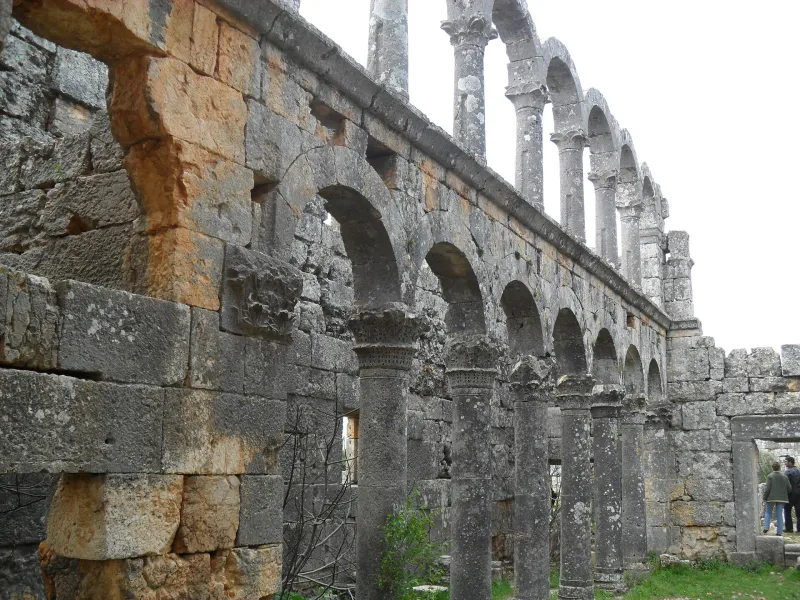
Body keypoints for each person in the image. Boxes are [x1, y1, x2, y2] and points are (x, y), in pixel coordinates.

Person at [763, 461, 792, 536]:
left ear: (772, 467)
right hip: (782, 498)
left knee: (768, 512)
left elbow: (767, 488)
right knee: (779, 514)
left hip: (771, 498)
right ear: (779, 467)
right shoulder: (784, 477)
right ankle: (779, 532)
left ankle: (766, 528)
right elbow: (789, 488)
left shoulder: (770, 476)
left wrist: (764, 497)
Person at [783, 456, 800, 533]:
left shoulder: (787, 472)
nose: (785, 463)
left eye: (786, 461)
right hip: (798, 494)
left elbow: (786, 484)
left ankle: (789, 528)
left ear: (790, 462)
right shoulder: (798, 471)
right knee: (799, 512)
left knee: (787, 511)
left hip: (790, 495)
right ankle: (799, 529)